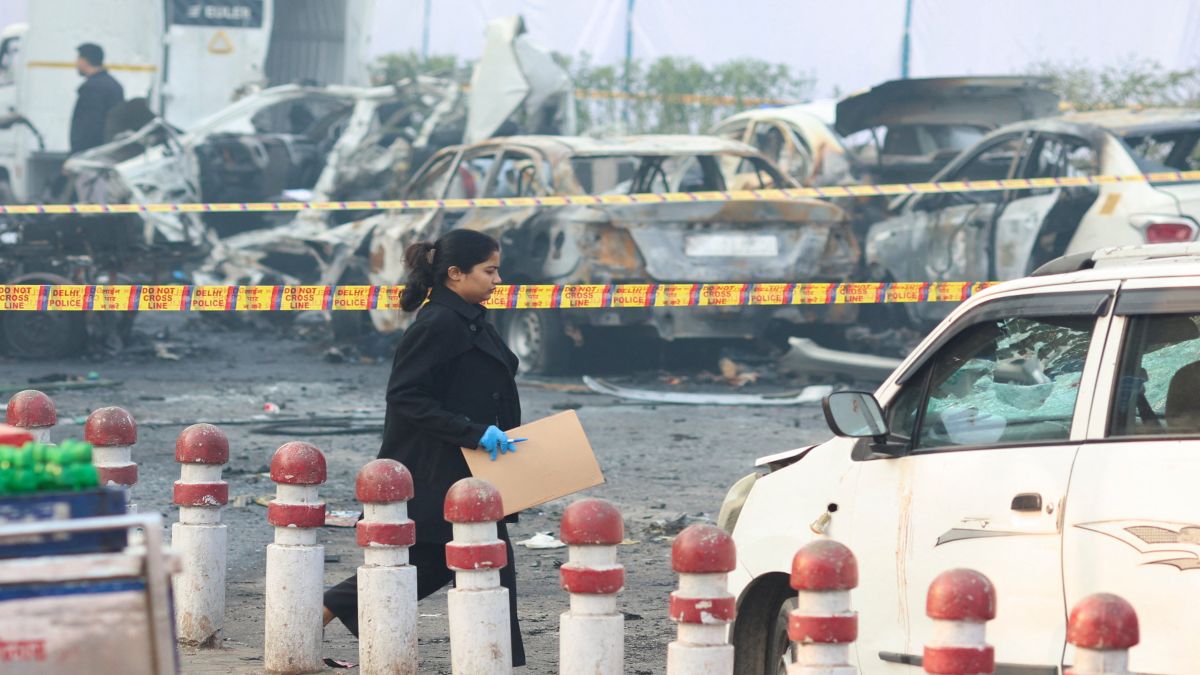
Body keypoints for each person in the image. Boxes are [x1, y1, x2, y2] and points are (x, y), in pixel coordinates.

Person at [322, 228, 526, 667]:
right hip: (438, 465)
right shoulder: (438, 323)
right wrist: (473, 431)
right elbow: (406, 396)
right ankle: (493, 661)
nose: (498, 279)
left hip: (468, 464)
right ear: (455, 273)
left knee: (437, 561)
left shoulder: (470, 316)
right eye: (490, 270)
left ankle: (319, 614)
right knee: (483, 561)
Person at [70, 43, 124, 154]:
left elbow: (88, 126)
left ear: (84, 60)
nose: (76, 64)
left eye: (78, 59)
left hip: (91, 154)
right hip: (109, 151)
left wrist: (77, 154)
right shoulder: (114, 85)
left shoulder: (92, 88)